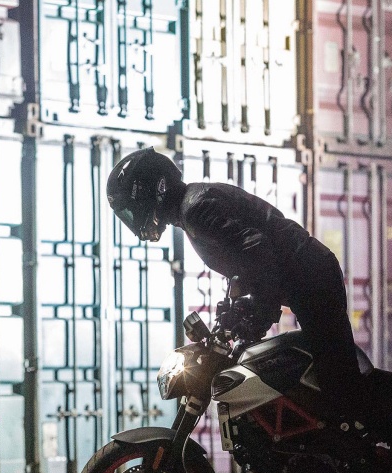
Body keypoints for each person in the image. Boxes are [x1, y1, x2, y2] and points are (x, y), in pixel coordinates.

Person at [106, 147, 366, 430]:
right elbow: (242, 259)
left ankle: (366, 439)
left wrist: (260, 313)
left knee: (339, 385)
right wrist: (235, 311)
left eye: (132, 209)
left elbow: (257, 250)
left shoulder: (195, 209)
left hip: (312, 280)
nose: (134, 218)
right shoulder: (193, 206)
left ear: (152, 189)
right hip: (307, 279)